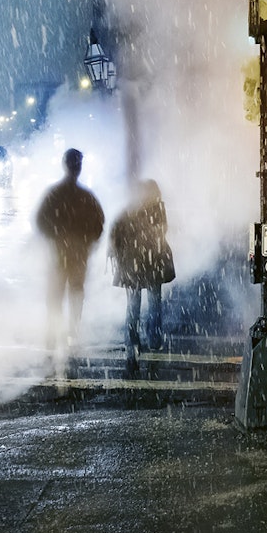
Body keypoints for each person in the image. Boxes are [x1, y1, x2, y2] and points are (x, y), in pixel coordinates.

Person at [35, 148, 105, 369]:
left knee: (56, 297)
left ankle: (52, 337)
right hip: (77, 256)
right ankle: (72, 336)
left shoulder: (54, 194)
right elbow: (99, 224)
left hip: (59, 255)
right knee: (75, 296)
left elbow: (41, 222)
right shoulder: (86, 197)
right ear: (78, 167)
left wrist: (56, 238)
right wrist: (85, 242)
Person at [109, 179, 174, 376]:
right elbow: (162, 232)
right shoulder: (157, 208)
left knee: (132, 306)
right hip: (153, 262)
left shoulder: (128, 208)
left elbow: (115, 232)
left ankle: (132, 343)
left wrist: (118, 253)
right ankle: (153, 340)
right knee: (154, 302)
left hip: (132, 263)